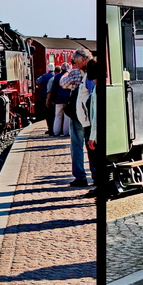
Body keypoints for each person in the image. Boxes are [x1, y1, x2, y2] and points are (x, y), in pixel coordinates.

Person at [64, 50, 91, 187]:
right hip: (87, 115)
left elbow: (63, 83)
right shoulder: (90, 72)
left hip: (80, 115)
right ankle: (93, 176)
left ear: (84, 60)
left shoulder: (76, 73)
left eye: (76, 61)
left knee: (77, 146)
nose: (75, 64)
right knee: (91, 146)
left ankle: (81, 177)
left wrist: (67, 73)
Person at [82, 57, 101, 198]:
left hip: (96, 133)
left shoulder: (97, 89)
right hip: (94, 131)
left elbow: (96, 116)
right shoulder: (95, 88)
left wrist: (92, 137)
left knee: (97, 161)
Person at [51, 62, 73, 136]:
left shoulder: (56, 77)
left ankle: (56, 132)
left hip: (58, 99)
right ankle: (66, 132)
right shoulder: (70, 76)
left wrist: (53, 99)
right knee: (67, 116)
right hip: (68, 99)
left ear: (61, 68)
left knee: (58, 115)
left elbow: (53, 89)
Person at [35, 63, 56, 135]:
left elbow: (38, 81)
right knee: (55, 114)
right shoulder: (56, 75)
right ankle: (55, 128)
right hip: (54, 97)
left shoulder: (44, 76)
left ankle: (50, 128)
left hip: (45, 96)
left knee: (48, 114)